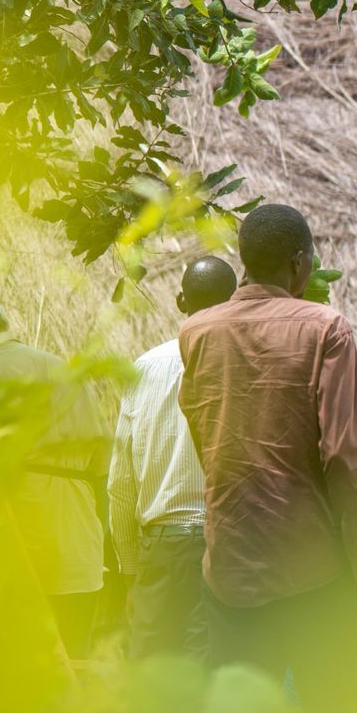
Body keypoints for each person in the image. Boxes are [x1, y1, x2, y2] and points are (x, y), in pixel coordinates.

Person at [178, 205, 357, 713]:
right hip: (313, 568)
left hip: (229, 568)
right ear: (298, 264)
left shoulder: (197, 333)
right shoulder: (325, 328)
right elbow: (347, 456)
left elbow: (207, 434)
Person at [0, 286, 108, 657]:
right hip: (82, 548)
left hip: (26, 553)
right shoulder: (65, 370)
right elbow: (101, 462)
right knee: (78, 662)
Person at [107, 257, 238, 659]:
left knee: (150, 683)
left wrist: (131, 571)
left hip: (160, 552)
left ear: (181, 300)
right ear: (234, 301)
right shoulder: (246, 365)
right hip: (227, 548)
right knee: (213, 678)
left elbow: (120, 485)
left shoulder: (145, 368)